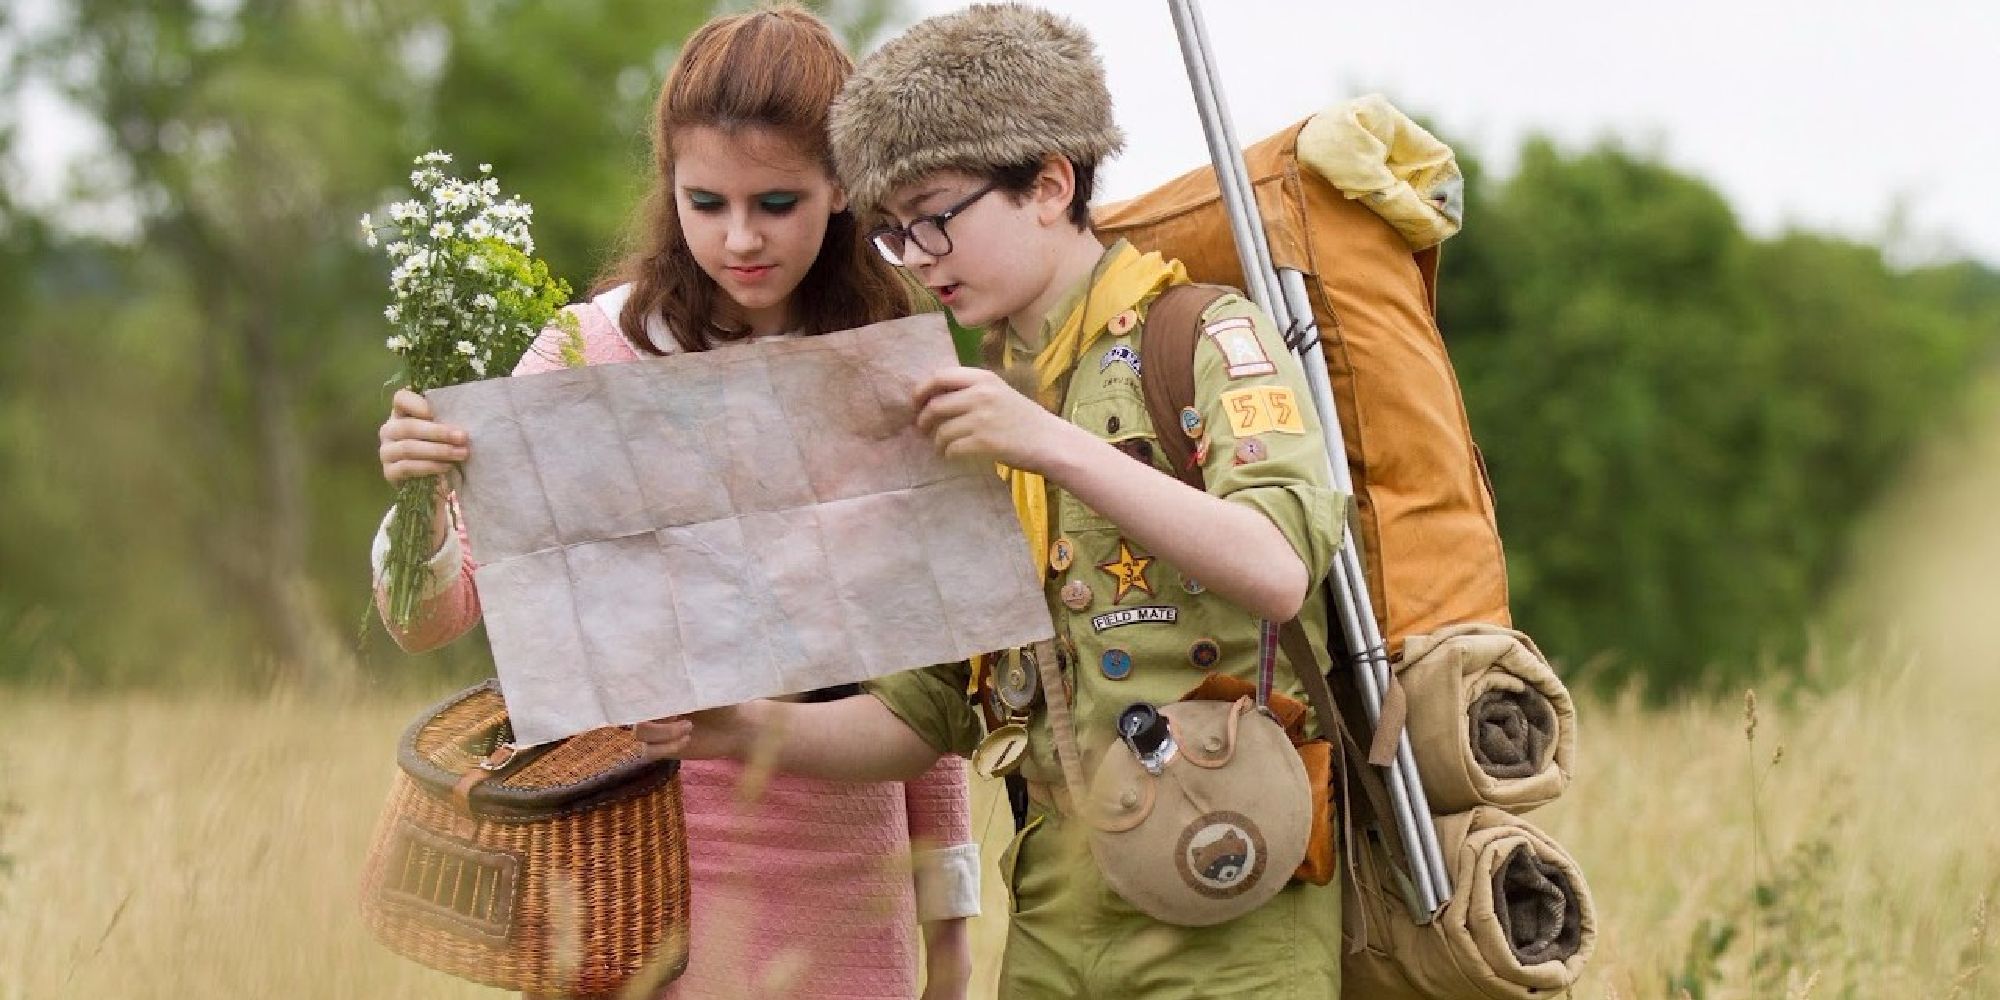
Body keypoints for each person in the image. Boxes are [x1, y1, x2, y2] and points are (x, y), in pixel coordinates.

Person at [639, 4, 1348, 997]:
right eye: (891, 234)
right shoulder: (970, 405)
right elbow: (922, 715)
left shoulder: (1199, 339)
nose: (919, 256)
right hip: (1058, 917)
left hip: (1228, 899)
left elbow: (1275, 566)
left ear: (1050, 183)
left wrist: (1050, 445)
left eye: (935, 216)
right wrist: (732, 728)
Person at [369, 7, 977, 998]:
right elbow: (428, 618)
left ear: (841, 189)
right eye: (706, 202)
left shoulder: (891, 374)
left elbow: (927, 694)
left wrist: (947, 932)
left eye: (776, 201)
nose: (738, 238)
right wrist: (421, 498)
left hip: (840, 885)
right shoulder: (590, 352)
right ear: (669, 186)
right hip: (619, 879)